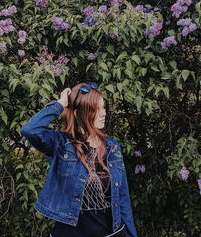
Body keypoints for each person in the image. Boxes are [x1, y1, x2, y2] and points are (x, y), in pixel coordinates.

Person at [21, 82, 138, 237]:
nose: (103, 113)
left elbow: (123, 199)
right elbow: (30, 130)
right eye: (95, 109)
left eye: (103, 107)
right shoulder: (61, 144)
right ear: (77, 113)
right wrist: (60, 104)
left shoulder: (112, 147)